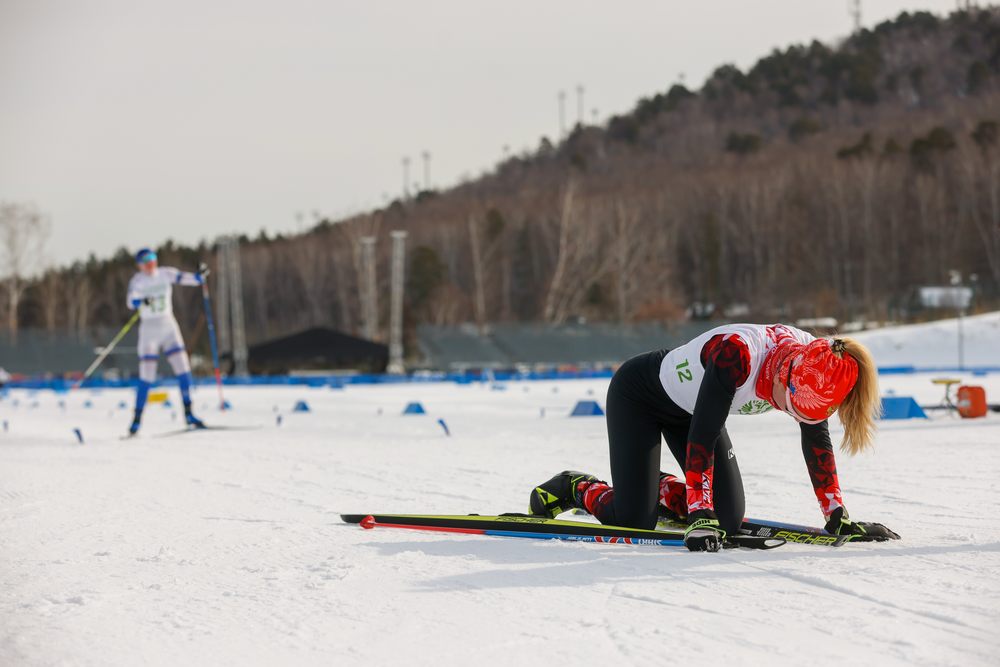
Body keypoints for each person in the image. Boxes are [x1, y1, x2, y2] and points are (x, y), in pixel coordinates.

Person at [528, 323, 900, 552]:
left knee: (729, 518)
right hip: (639, 395)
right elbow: (702, 438)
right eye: (790, 406)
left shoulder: (816, 363)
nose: (790, 413)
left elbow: (817, 445)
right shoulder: (739, 354)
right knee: (633, 521)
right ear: (783, 375)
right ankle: (574, 486)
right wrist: (699, 512)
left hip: (692, 409)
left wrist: (836, 515)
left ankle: (652, 486)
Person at [125, 248, 207, 435]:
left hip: (168, 326)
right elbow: (131, 300)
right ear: (139, 264)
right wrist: (140, 302)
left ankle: (189, 413)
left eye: (152, 258)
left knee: (183, 368)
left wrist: (199, 277)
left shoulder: (164, 273)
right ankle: (136, 421)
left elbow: (186, 278)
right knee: (147, 375)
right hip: (149, 330)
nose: (150, 263)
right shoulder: (138, 280)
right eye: (145, 260)